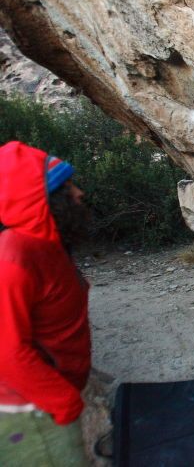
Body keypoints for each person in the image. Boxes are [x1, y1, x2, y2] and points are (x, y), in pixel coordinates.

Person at [0, 141, 92, 466]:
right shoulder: (15, 259)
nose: (79, 193)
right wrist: (63, 400)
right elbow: (7, 351)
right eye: (67, 188)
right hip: (30, 410)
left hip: (50, 399)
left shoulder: (49, 246)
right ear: (43, 199)